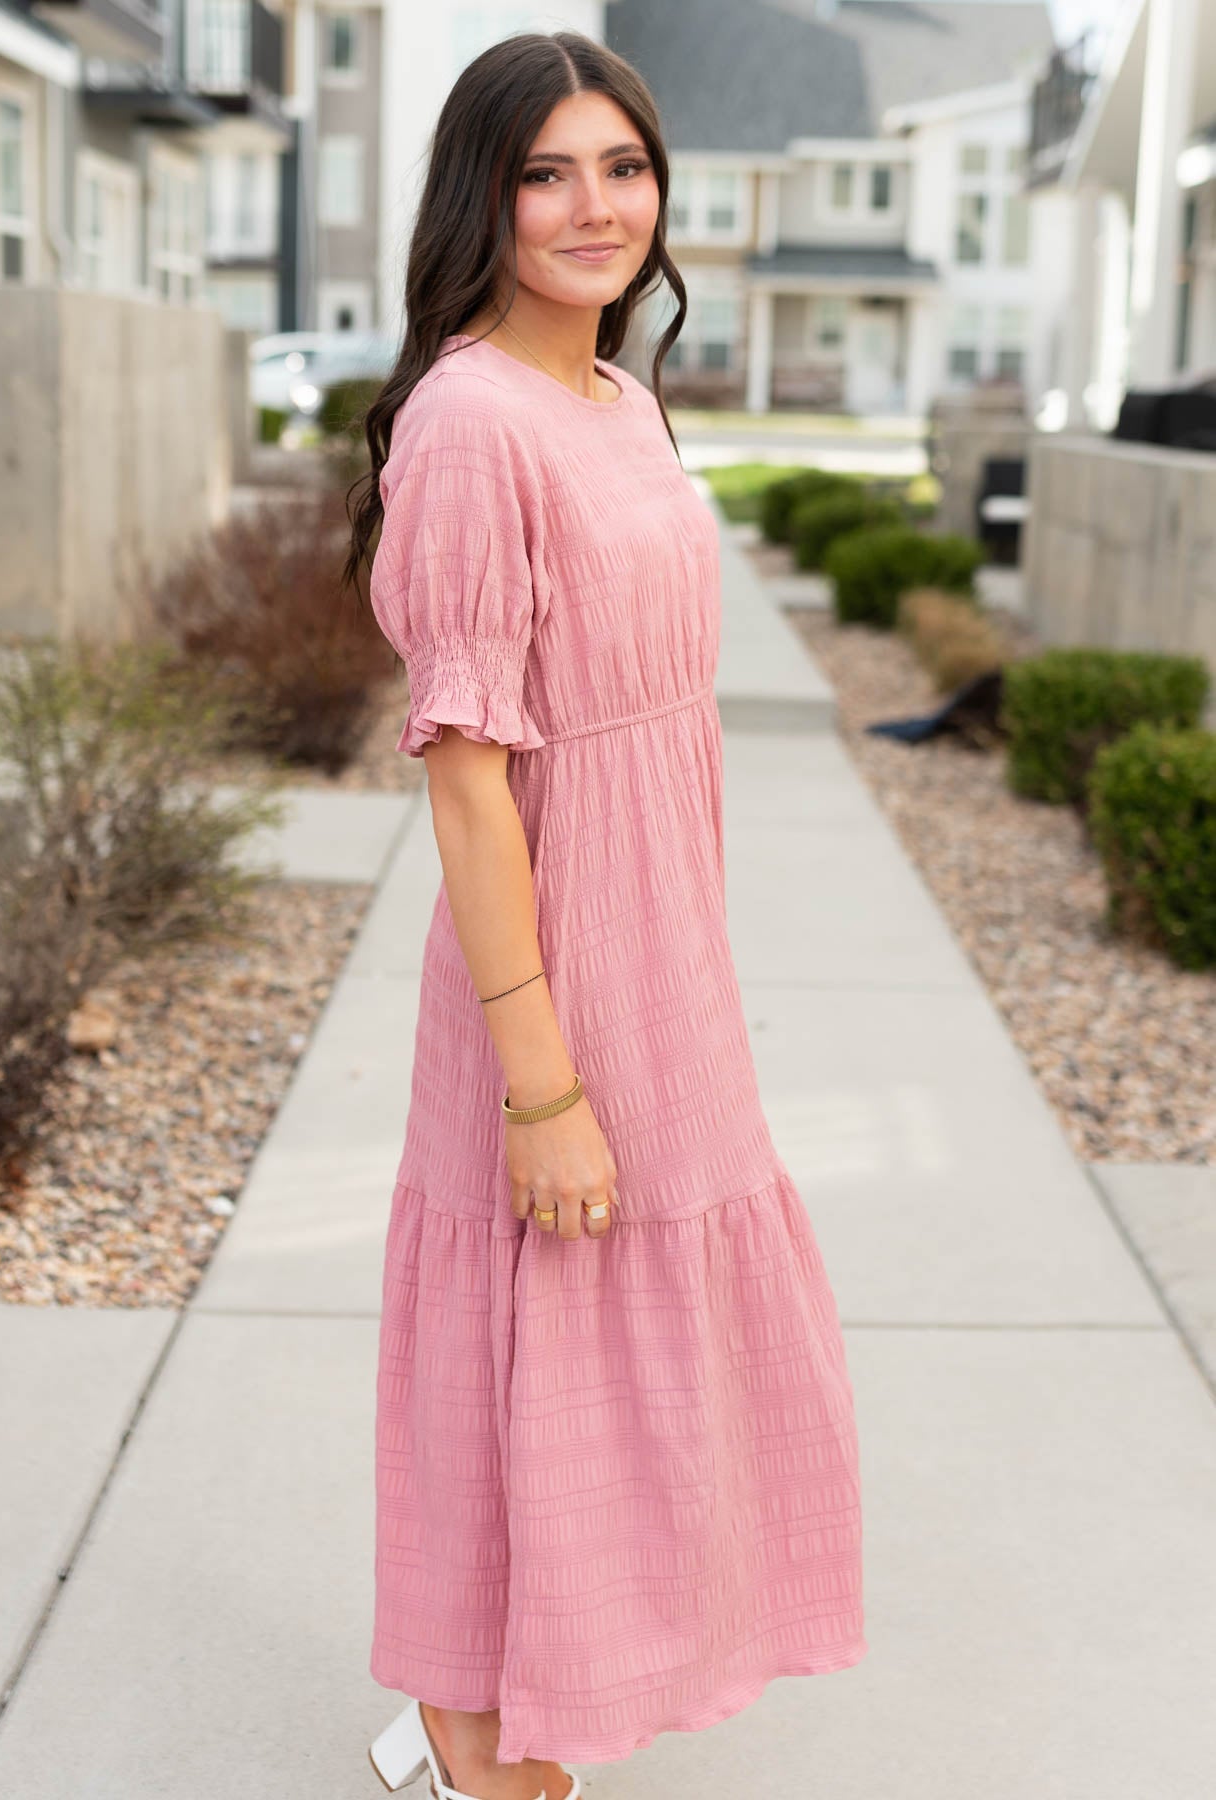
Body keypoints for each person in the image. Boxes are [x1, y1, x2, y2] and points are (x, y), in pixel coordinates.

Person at [343, 29, 867, 1800]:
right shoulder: (473, 421)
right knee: (542, 1321)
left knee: (628, 1333)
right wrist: (539, 1082)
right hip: (550, 965)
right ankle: (482, 1743)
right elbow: (469, 779)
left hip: (663, 943)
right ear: (480, 197)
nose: (592, 206)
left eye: (622, 167)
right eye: (546, 171)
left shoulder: (614, 397)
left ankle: (485, 1720)